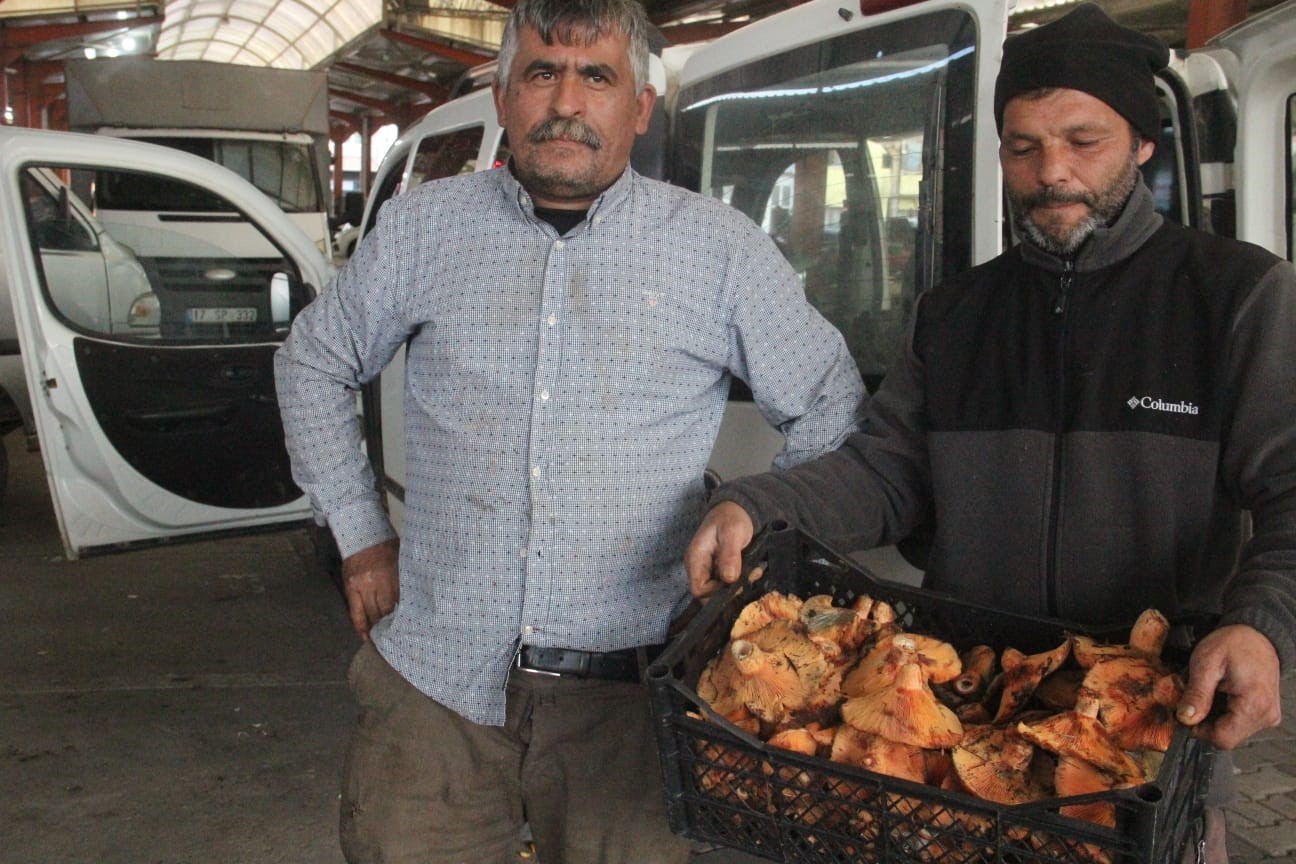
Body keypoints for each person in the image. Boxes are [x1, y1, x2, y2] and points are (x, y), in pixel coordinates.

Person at [685, 5, 1293, 862]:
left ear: (1143, 143)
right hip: (972, 734)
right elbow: (885, 473)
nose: (1053, 173)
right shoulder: (958, 315)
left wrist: (1262, 624)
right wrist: (756, 506)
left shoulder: (1235, 299)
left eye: (1085, 141)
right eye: (1023, 147)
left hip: (1145, 745)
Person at [273, 0, 866, 860]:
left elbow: (829, 402)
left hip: (630, 703)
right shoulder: (423, 231)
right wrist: (362, 538)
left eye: (597, 77)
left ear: (639, 107)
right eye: (541, 73)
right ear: (504, 98)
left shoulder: (716, 251)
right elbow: (313, 362)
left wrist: (757, 534)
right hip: (434, 689)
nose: (566, 101)